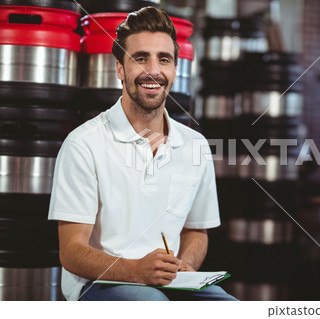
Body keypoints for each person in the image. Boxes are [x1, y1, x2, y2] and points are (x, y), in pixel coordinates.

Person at [48, 6, 236, 301]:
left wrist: (186, 265)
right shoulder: (84, 143)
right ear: (120, 68)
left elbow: (196, 232)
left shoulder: (195, 145)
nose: (153, 71)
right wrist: (135, 270)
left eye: (164, 59)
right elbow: (71, 252)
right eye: (140, 58)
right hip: (99, 285)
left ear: (175, 69)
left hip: (168, 282)